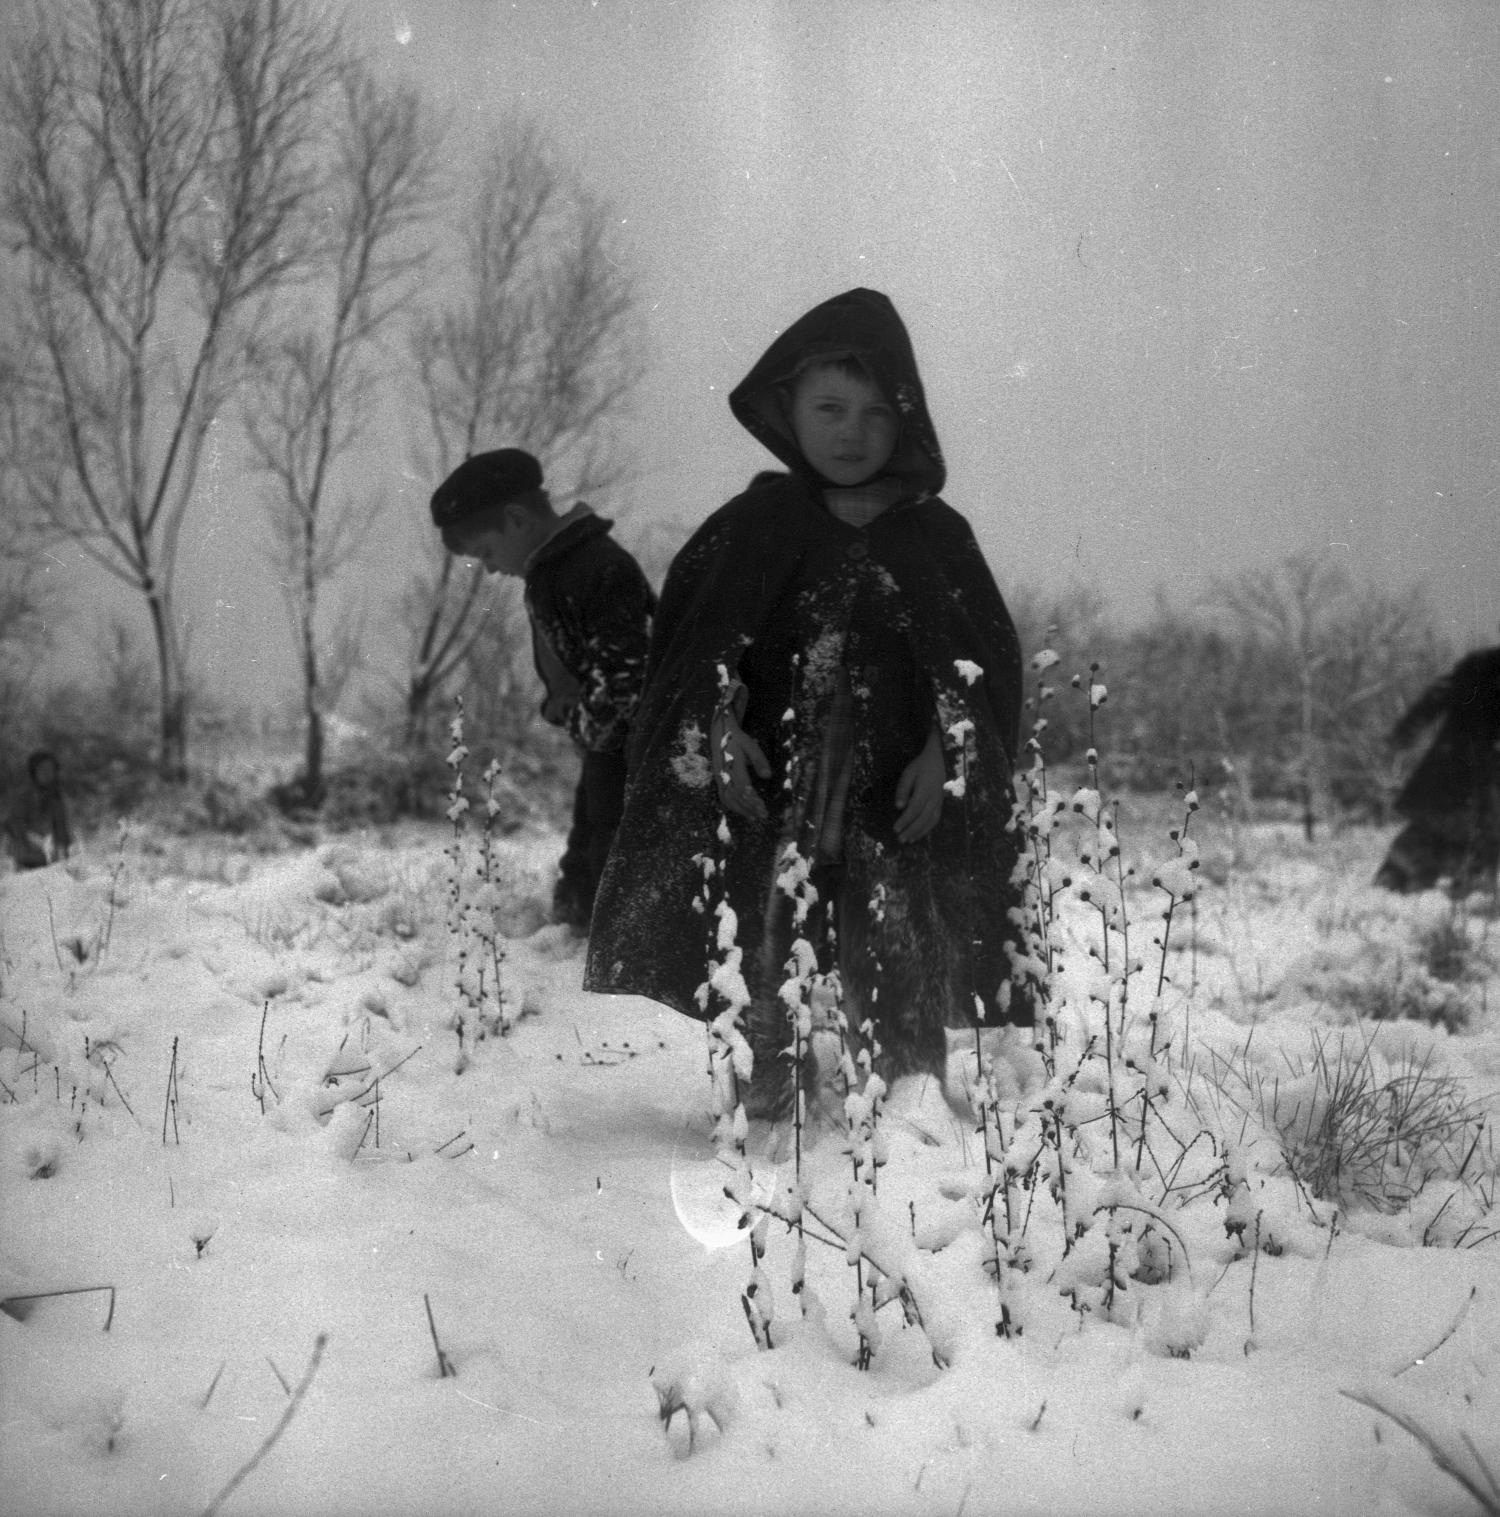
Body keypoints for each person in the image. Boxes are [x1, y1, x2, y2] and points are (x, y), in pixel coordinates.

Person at [585, 287, 1038, 1119]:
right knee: (763, 954)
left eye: (875, 411)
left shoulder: (936, 538)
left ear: (907, 421)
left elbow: (984, 669)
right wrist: (717, 730)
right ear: (785, 408)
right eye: (829, 406)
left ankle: (908, 1114)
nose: (851, 430)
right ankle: (767, 1107)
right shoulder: (752, 526)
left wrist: (950, 754)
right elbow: (692, 657)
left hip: (893, 806)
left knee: (898, 948)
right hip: (774, 807)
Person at [430, 448, 656, 931]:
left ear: (515, 518)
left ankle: (608, 956)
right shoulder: (556, 571)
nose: (489, 569)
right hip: (607, 749)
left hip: (636, 755)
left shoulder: (594, 569)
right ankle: (576, 931)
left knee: (614, 864)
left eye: (486, 552)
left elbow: (624, 685)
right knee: (589, 860)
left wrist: (577, 718)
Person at [1374, 642, 1500, 894]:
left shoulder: (1477, 665)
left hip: (1452, 766)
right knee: (1480, 832)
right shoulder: (1479, 666)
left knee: (1447, 826)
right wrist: (1406, 731)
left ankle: (1400, 881)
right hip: (1474, 769)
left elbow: (1436, 697)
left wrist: (1406, 731)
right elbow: (1438, 696)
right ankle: (1403, 883)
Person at [5, 749, 73, 870]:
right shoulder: (23, 795)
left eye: (50, 769)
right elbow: (13, 824)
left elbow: (61, 828)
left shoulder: (56, 796)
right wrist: (34, 838)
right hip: (23, 857)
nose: (47, 774)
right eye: (42, 769)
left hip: (47, 858)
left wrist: (63, 850)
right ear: (34, 772)